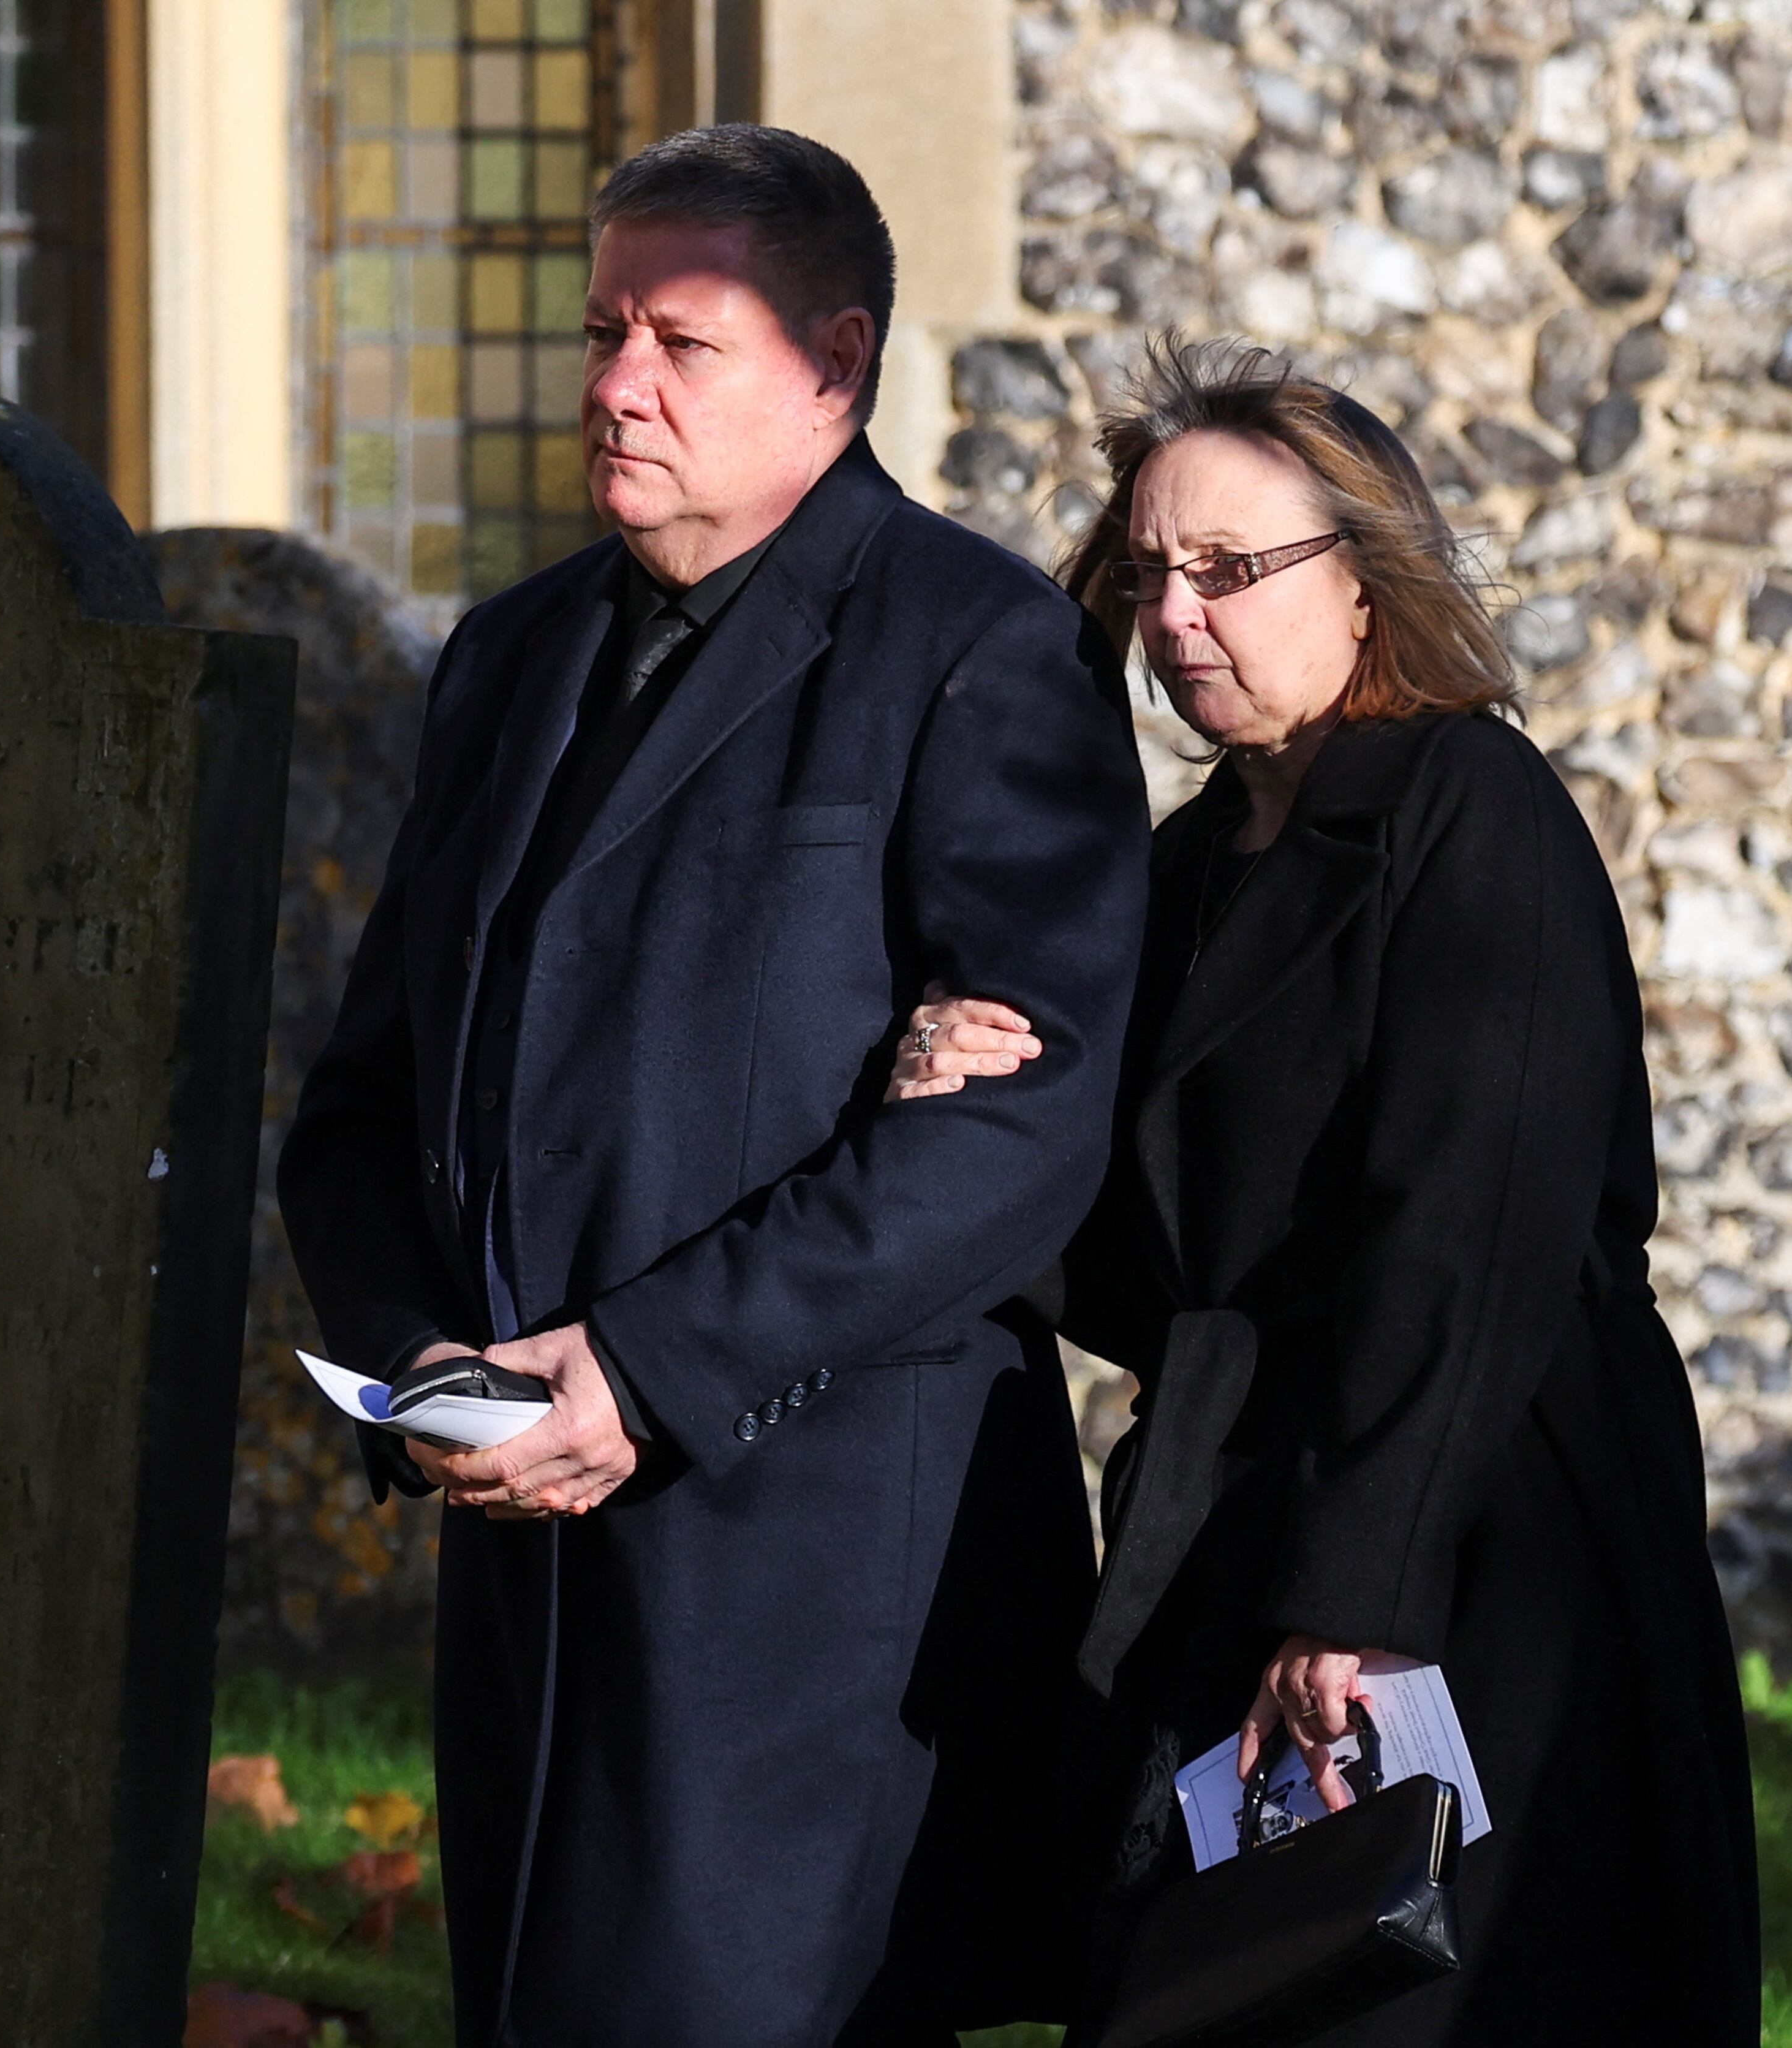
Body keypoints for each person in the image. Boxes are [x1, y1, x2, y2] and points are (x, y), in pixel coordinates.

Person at [276, 125, 1151, 2045]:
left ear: (836, 364)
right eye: (604, 331)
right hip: (529, 1552)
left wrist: (651, 1374)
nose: (615, 387)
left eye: (682, 340)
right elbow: (360, 1108)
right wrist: (426, 1367)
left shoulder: (980, 650)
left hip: (817, 1571)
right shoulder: (509, 657)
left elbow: (1023, 1129)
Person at [890, 336, 1763, 2042]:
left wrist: (1359, 1595)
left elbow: (1473, 1228)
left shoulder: (1469, 807)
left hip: (1474, 1517)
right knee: (1219, 1978)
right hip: (1248, 1507)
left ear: (1366, 582)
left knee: (1446, 1992)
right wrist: (975, 1103)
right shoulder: (1190, 868)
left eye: (1231, 569)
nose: (1177, 615)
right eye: (1150, 573)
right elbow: (1158, 1267)